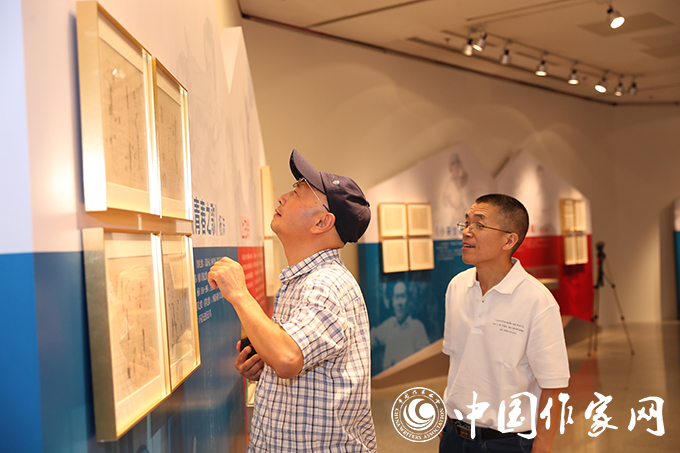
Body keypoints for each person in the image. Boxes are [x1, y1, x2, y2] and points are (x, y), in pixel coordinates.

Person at [208, 149, 377, 452]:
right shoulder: (304, 280)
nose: (282, 197)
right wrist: (265, 364)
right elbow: (288, 359)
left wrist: (238, 293)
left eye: (298, 192)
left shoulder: (325, 284)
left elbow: (287, 358)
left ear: (322, 222)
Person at [439, 194, 569, 453]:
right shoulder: (457, 286)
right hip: (455, 436)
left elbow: (553, 386)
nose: (467, 232)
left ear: (509, 240)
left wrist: (542, 448)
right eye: (466, 223)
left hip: (507, 442)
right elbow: (457, 363)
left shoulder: (537, 300)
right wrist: (447, 427)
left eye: (479, 225)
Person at [371, 281, 430, 371]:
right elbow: (371, 338)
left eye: (402, 296)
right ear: (393, 301)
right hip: (388, 378)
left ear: (408, 300)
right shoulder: (388, 325)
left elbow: (425, 361)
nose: (399, 302)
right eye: (396, 297)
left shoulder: (417, 327)